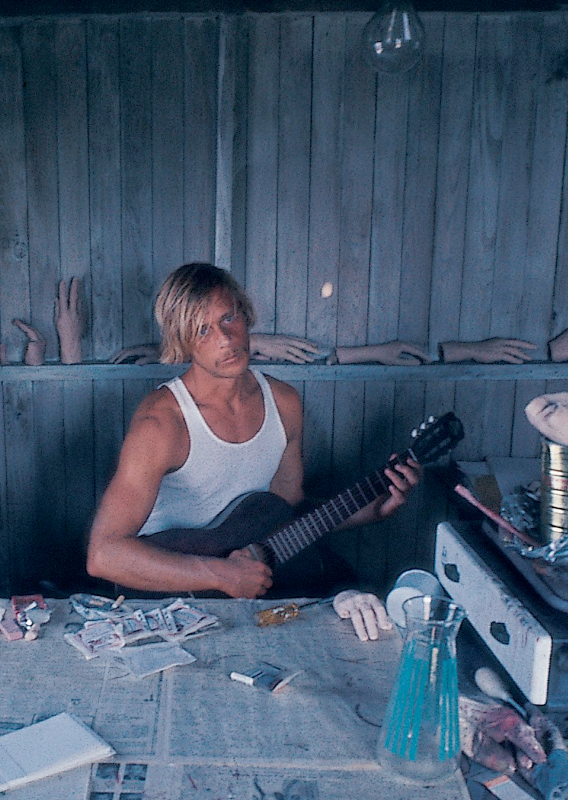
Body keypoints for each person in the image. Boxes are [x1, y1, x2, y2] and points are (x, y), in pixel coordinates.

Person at [86, 264, 418, 627]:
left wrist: (372, 510)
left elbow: (283, 516)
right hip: (165, 595)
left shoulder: (284, 403)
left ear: (245, 314)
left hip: (247, 588)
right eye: (203, 330)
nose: (225, 340)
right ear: (182, 342)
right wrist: (219, 575)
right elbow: (104, 555)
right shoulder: (163, 423)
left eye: (229, 318)